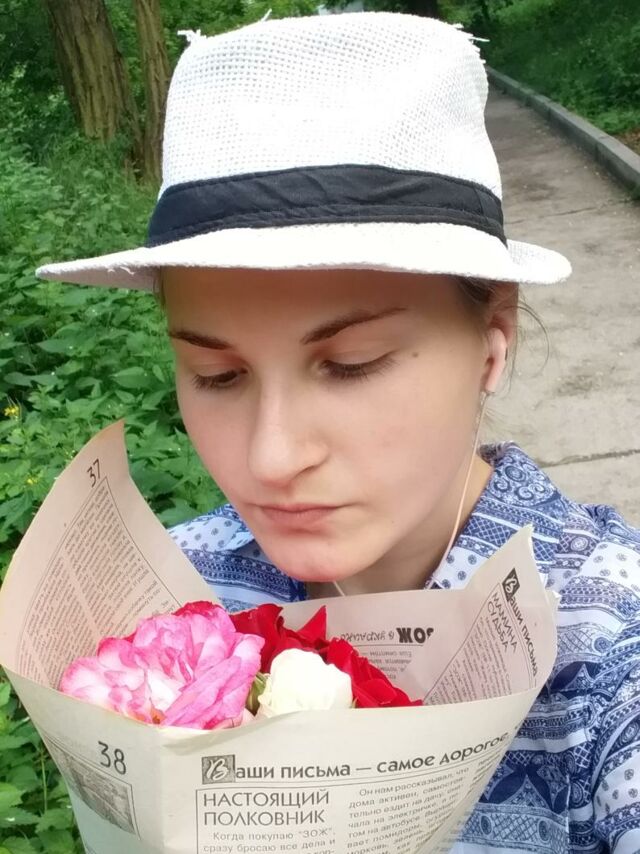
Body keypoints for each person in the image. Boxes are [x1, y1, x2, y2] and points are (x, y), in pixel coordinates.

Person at [36, 11, 640, 853]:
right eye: (217, 375)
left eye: (351, 365)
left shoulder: (604, 654)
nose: (271, 457)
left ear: (493, 339)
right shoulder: (170, 604)